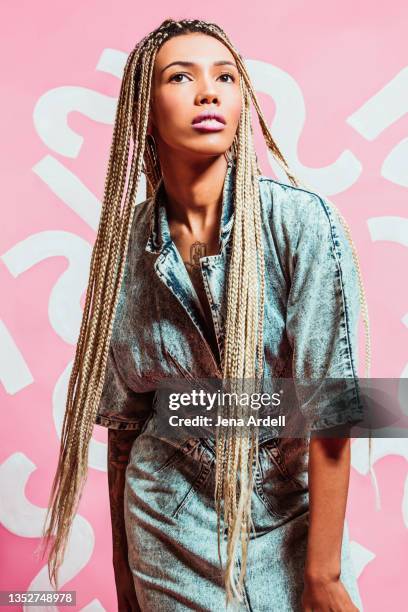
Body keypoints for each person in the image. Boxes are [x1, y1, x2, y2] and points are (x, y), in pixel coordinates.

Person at [38, 18, 374, 612]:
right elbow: (125, 425)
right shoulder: (123, 249)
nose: (209, 91)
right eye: (180, 76)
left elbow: (332, 408)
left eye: (225, 76)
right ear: (146, 107)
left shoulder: (301, 225)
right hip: (167, 523)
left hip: (288, 519)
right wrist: (126, 585)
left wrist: (323, 575)